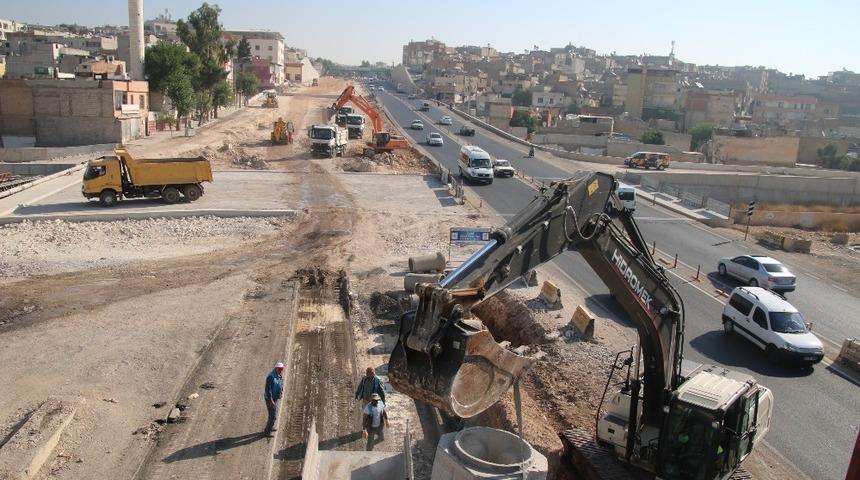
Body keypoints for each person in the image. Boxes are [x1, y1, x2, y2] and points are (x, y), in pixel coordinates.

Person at [263, 361, 285, 436]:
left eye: (282, 369)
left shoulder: (279, 375)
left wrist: (281, 391)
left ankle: (269, 427)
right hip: (270, 399)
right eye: (279, 369)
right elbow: (268, 390)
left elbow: (281, 383)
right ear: (276, 368)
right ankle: (267, 432)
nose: (281, 370)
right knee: (273, 417)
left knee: (272, 415)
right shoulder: (270, 377)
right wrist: (271, 400)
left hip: (275, 398)